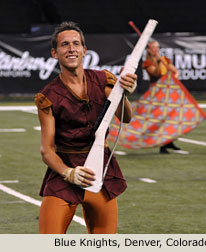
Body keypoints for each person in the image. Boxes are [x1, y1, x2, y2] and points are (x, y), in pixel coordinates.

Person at [34, 21, 137, 234]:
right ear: (55, 53)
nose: (71, 49)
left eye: (75, 44)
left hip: (100, 170)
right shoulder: (48, 96)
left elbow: (126, 117)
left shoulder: (103, 80)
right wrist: (68, 173)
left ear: (84, 50)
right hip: (65, 171)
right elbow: (47, 150)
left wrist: (124, 93)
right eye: (64, 45)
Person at [142, 40, 181, 154]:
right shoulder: (148, 62)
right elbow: (156, 74)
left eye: (157, 47)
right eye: (153, 47)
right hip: (156, 94)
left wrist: (173, 79)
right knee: (161, 118)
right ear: (149, 49)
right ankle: (162, 145)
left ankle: (169, 142)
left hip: (167, 92)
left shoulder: (165, 59)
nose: (155, 49)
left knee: (171, 117)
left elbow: (175, 72)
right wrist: (159, 62)